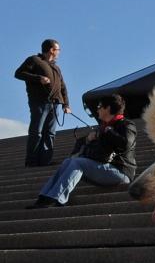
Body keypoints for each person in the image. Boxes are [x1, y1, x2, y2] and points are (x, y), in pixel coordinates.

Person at [28, 93, 135, 208]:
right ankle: (44, 197)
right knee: (68, 161)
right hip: (103, 166)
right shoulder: (102, 127)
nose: (97, 109)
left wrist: (109, 131)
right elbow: (82, 145)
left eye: (99, 106)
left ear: (108, 108)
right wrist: (88, 139)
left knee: (77, 162)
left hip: (120, 171)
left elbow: (126, 144)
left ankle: (56, 198)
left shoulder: (127, 125)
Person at [14, 39, 71, 167]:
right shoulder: (34, 60)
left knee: (50, 133)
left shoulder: (56, 67)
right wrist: (38, 78)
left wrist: (66, 105)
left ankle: (45, 161)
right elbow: (18, 74)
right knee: (37, 132)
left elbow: (63, 87)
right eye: (58, 50)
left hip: (56, 104)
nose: (59, 52)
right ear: (51, 50)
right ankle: (32, 161)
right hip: (39, 102)